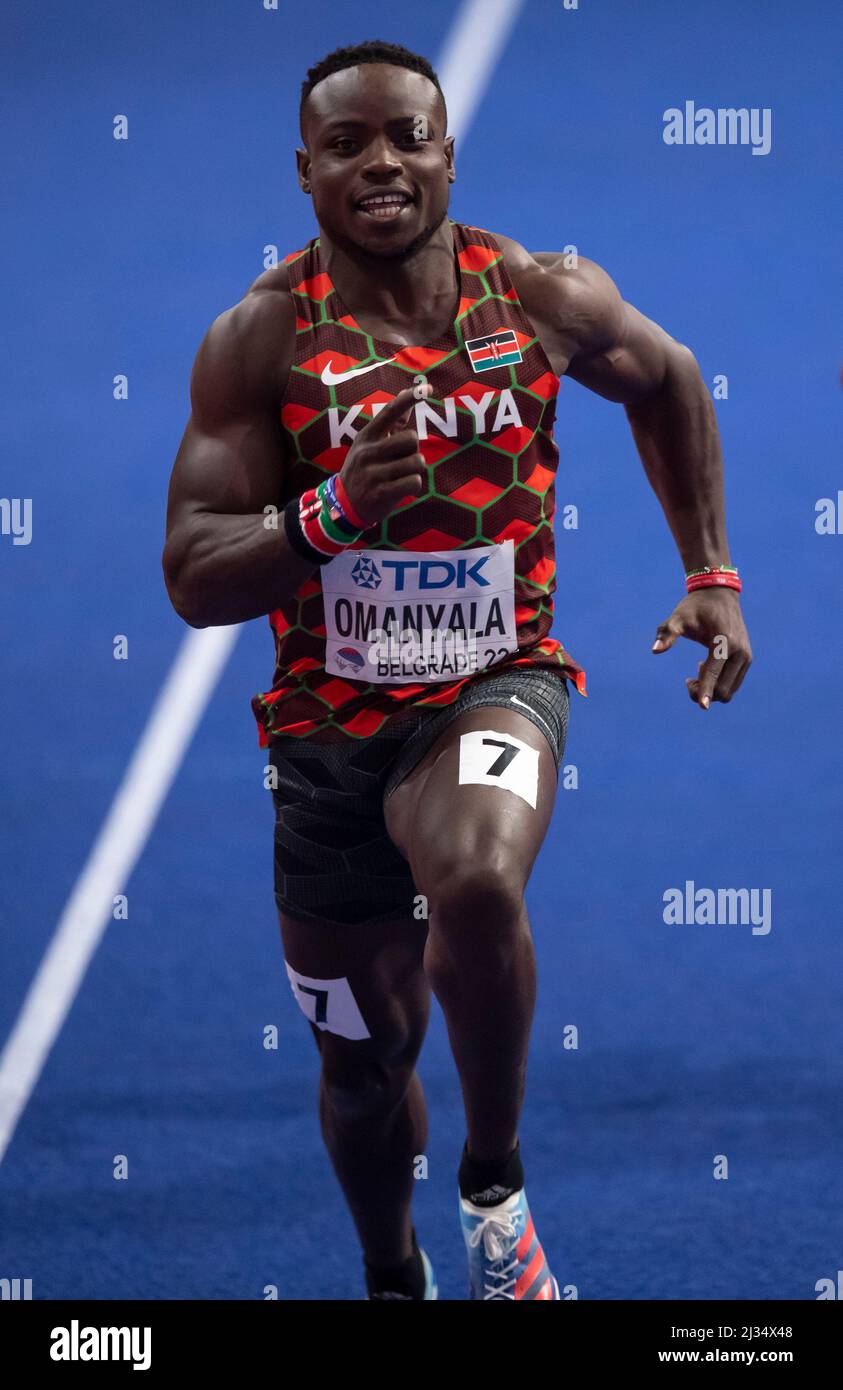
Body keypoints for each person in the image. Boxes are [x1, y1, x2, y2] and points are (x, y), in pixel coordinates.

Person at [162, 39, 752, 1301]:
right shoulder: (260, 341)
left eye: (406, 138)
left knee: (479, 880)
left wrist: (711, 571)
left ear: (445, 148)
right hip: (324, 732)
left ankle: (494, 1185)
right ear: (304, 170)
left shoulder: (538, 295)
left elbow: (671, 377)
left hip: (497, 679)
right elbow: (195, 577)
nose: (381, 163)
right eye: (348, 144)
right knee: (365, 1073)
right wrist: (327, 520)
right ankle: (395, 1271)